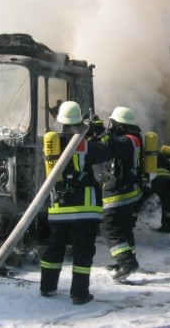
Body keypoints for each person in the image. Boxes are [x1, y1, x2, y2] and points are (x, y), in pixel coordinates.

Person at [40, 101, 109, 305]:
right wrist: (98, 131)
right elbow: (105, 151)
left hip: (59, 207)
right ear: (79, 121)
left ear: (60, 122)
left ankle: (47, 287)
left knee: (55, 247)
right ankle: (79, 294)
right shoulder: (85, 144)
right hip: (84, 209)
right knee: (83, 250)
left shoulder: (52, 143)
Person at [100, 106, 144, 282]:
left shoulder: (128, 141)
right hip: (130, 191)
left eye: (112, 123)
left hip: (121, 193)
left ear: (119, 124)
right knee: (124, 228)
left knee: (108, 226)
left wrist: (99, 130)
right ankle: (127, 259)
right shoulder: (132, 139)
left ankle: (127, 263)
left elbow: (107, 145)